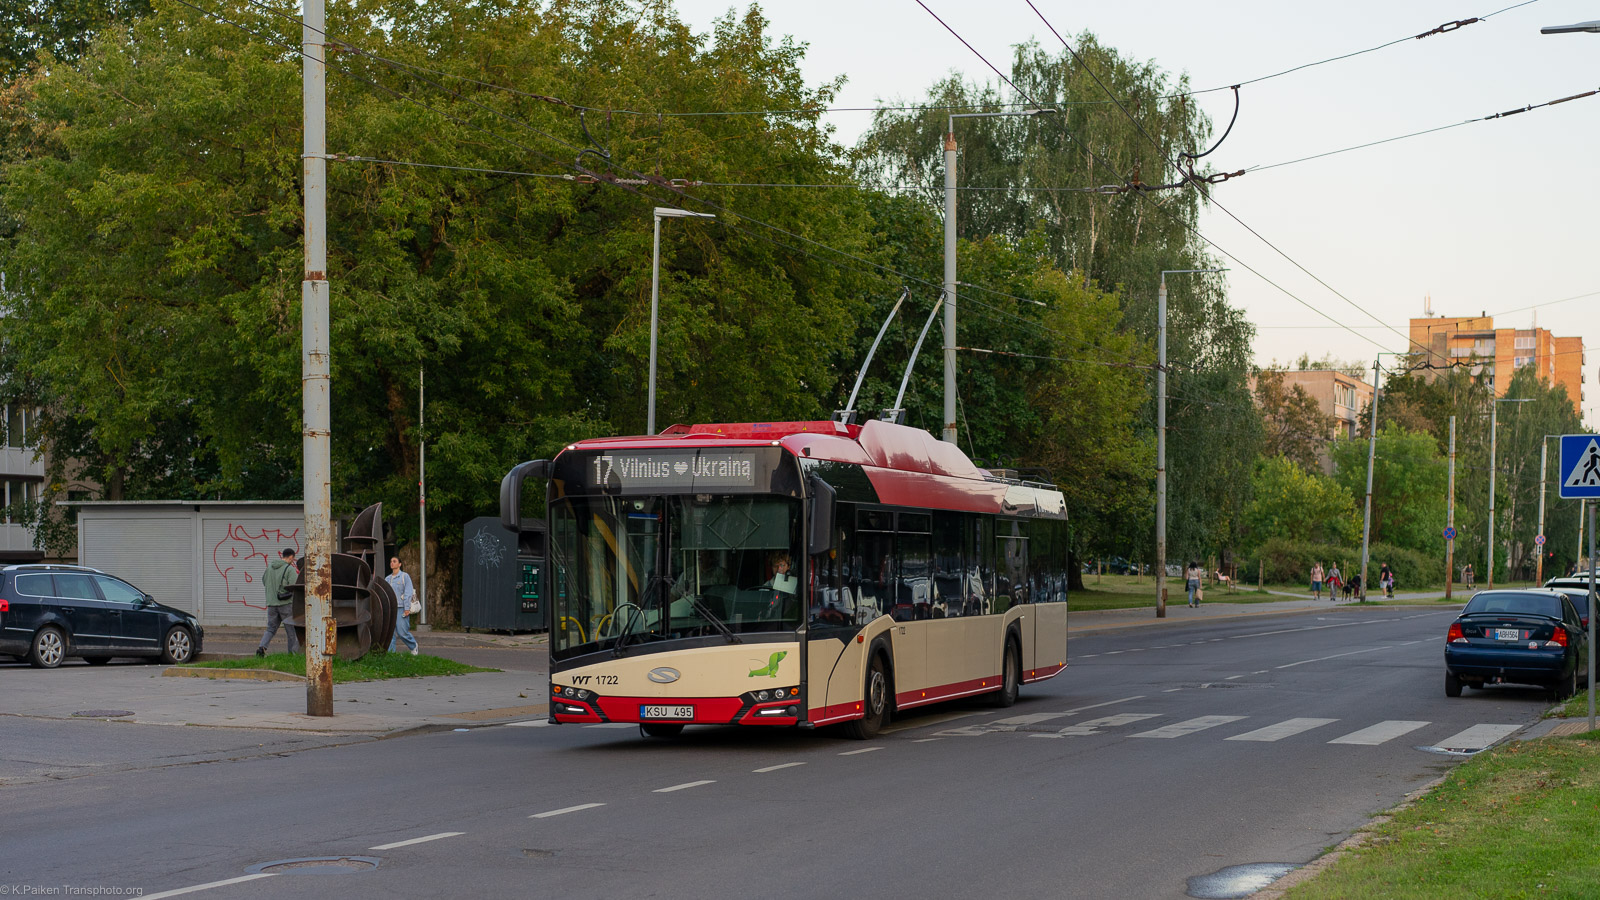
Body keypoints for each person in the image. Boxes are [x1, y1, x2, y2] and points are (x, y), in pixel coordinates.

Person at [256, 548, 300, 656]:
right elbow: (294, 586)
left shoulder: (269, 567)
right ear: (290, 557)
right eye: (293, 559)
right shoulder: (289, 569)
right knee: (291, 631)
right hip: (285, 604)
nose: (292, 561)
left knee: (271, 629)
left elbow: (264, 581)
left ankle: (262, 647)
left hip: (271, 604)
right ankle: (292, 655)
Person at [387, 556, 418, 656]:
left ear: (399, 564)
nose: (392, 563)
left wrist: (407, 608)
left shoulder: (405, 576)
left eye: (394, 561)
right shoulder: (387, 579)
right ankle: (391, 654)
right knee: (390, 633)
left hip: (401, 608)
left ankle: (413, 646)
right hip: (391, 609)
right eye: (391, 561)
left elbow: (408, 592)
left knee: (402, 632)